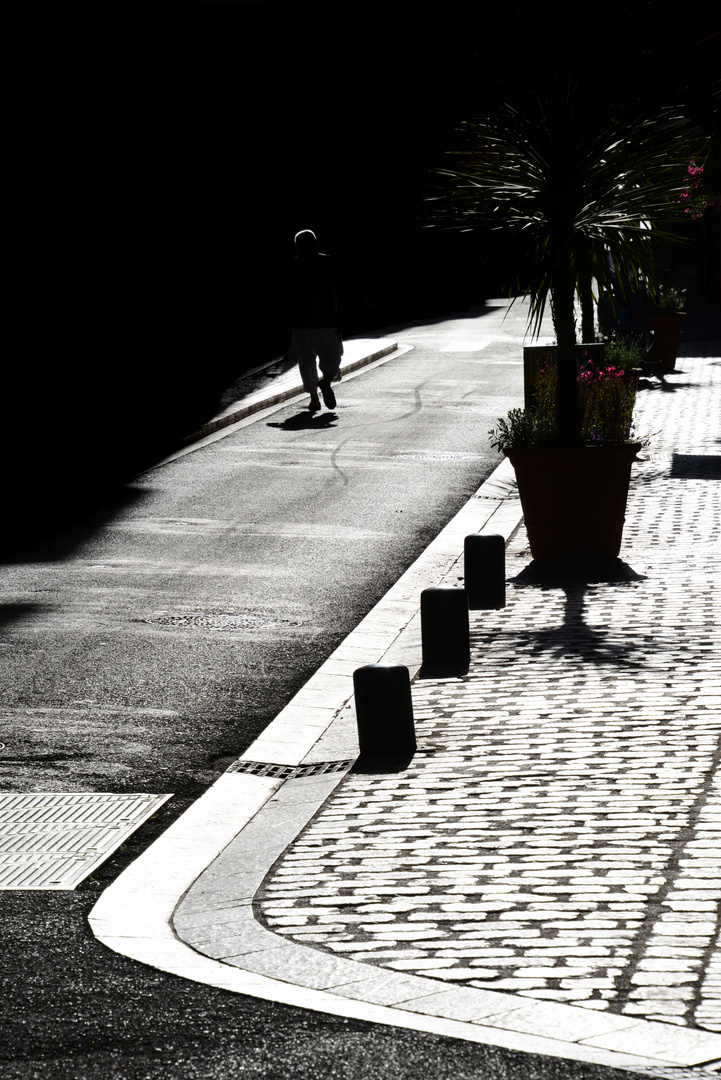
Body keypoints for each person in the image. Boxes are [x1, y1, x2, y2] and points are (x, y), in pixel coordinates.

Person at [287, 229, 343, 413]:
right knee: (332, 354)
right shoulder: (328, 262)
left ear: (297, 248)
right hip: (326, 319)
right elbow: (340, 289)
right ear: (316, 243)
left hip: (300, 323)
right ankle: (325, 381)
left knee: (306, 360)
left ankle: (314, 399)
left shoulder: (292, 267)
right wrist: (342, 316)